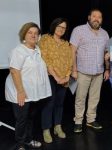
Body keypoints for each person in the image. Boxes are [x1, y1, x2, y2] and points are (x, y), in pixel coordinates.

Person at [5, 22, 51, 150]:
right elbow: (14, 71)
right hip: (20, 92)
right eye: (30, 32)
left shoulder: (37, 50)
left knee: (30, 117)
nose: (33, 35)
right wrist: (20, 91)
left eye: (36, 33)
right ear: (24, 34)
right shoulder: (18, 51)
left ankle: (28, 140)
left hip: (32, 93)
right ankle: (20, 143)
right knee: (22, 119)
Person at [70, 8, 109, 133]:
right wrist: (74, 70)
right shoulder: (78, 30)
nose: (96, 19)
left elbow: (106, 53)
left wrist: (107, 69)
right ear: (89, 17)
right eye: (94, 16)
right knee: (80, 98)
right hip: (82, 71)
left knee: (94, 98)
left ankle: (91, 120)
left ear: (101, 20)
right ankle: (78, 121)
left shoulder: (105, 34)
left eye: (99, 17)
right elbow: (72, 51)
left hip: (99, 72)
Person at [38, 18, 73, 143]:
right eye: (59, 26)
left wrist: (67, 76)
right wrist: (56, 77)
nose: (61, 29)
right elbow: (44, 59)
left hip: (64, 78)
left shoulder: (65, 43)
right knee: (49, 103)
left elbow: (70, 61)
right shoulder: (45, 39)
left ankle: (57, 127)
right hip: (50, 77)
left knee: (59, 104)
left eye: (64, 27)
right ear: (54, 26)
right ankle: (46, 129)